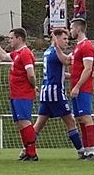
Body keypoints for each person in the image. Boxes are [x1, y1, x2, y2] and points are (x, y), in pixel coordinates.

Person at [33, 28, 84, 158]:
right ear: (55, 39)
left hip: (46, 93)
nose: (67, 41)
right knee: (71, 122)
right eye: (64, 39)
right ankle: (81, 151)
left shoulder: (47, 52)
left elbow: (58, 73)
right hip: (55, 93)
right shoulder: (55, 52)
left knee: (38, 125)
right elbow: (67, 61)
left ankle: (26, 149)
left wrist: (72, 76)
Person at [0, 28, 39, 161]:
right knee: (20, 122)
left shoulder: (25, 53)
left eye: (11, 38)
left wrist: (33, 86)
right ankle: (27, 151)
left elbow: (31, 74)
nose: (9, 40)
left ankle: (32, 152)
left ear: (19, 38)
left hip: (23, 93)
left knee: (24, 121)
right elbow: (3, 56)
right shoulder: (16, 53)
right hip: (16, 94)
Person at [68, 18, 94, 160]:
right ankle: (87, 150)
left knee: (86, 117)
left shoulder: (86, 46)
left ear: (78, 29)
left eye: (71, 28)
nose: (70, 31)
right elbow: (70, 63)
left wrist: (78, 86)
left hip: (83, 88)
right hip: (76, 87)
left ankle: (93, 150)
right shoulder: (77, 47)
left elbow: (88, 69)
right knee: (80, 118)